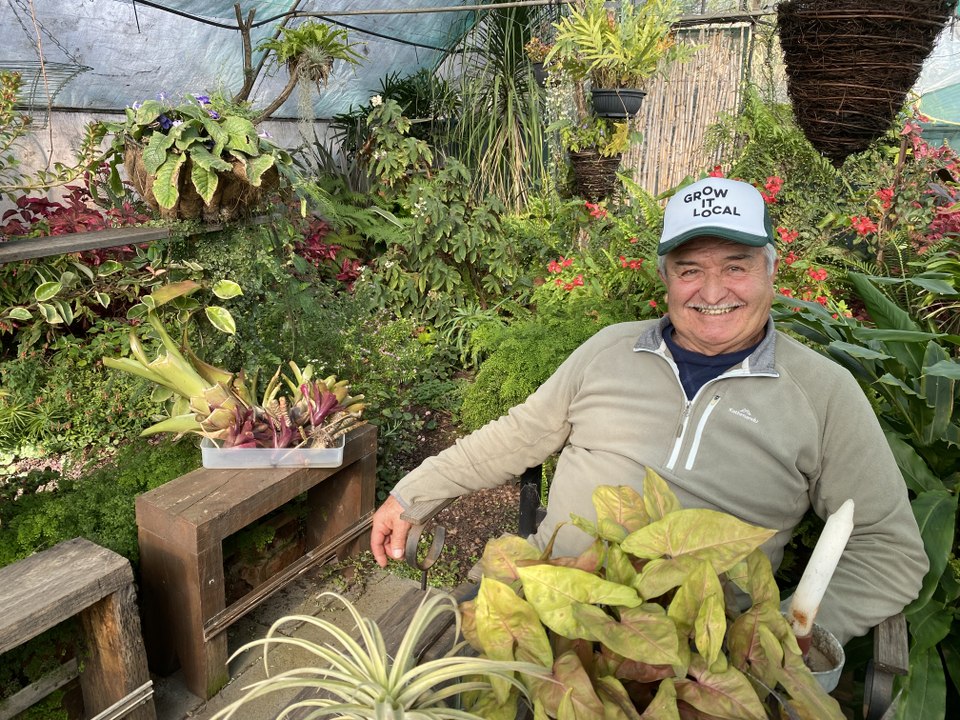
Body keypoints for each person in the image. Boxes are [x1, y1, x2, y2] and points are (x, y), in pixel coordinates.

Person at [370, 176, 928, 644]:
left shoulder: (823, 393)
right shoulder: (609, 350)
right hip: (545, 599)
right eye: (689, 269)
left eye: (736, 266)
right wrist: (413, 491)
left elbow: (890, 547)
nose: (712, 292)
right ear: (665, 279)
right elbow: (520, 434)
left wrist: (785, 635)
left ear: (769, 272)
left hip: (693, 651)